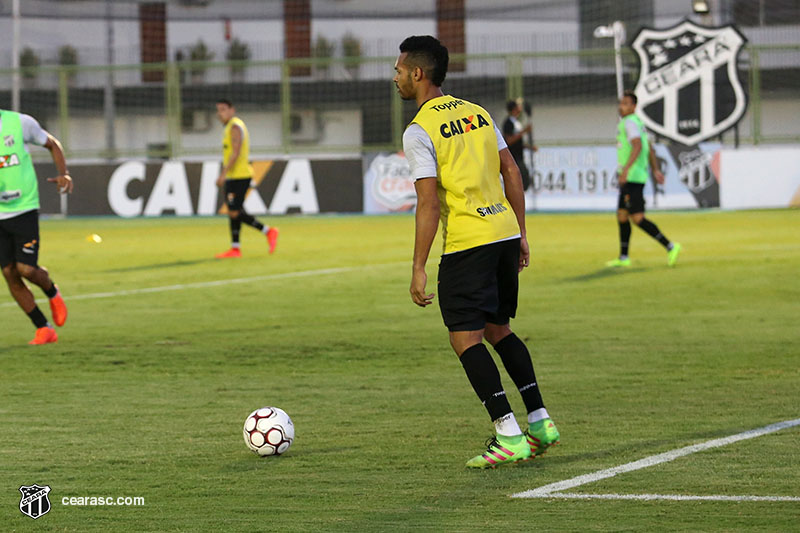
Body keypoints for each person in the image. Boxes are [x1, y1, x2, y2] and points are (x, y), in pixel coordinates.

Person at [394, 35, 560, 469]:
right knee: (497, 329)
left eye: (398, 70)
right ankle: (540, 422)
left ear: (417, 73)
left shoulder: (420, 129)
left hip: (469, 242)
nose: (394, 78)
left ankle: (507, 433)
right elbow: (511, 171)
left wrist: (417, 267)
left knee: (464, 337)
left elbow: (428, 203)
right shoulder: (480, 113)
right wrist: (521, 232)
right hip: (503, 232)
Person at [0, 109, 71, 345]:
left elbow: (52, 144)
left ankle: (52, 292)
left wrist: (64, 174)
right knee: (9, 273)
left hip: (24, 208)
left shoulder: (19, 123)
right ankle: (43, 328)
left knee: (26, 270)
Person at [607, 90, 681, 268]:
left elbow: (638, 146)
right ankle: (624, 258)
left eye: (625, 103)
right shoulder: (639, 123)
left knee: (637, 218)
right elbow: (650, 148)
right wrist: (655, 170)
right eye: (621, 103)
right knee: (622, 216)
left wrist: (625, 170)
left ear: (633, 106)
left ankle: (670, 246)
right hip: (634, 176)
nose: (621, 106)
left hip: (632, 177)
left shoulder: (629, 123)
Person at [214, 99, 278, 258]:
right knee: (233, 211)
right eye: (218, 110)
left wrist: (222, 174)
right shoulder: (230, 127)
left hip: (240, 176)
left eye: (223, 109)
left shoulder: (235, 127)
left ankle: (269, 231)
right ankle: (235, 249)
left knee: (235, 211)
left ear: (232, 110)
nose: (220, 113)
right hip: (233, 176)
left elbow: (235, 153)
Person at [501, 99, 537, 191]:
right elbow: (509, 141)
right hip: (514, 157)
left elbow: (518, 142)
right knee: (522, 179)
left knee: (524, 179)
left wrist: (529, 147)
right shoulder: (508, 123)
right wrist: (524, 131)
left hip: (519, 156)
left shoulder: (516, 123)